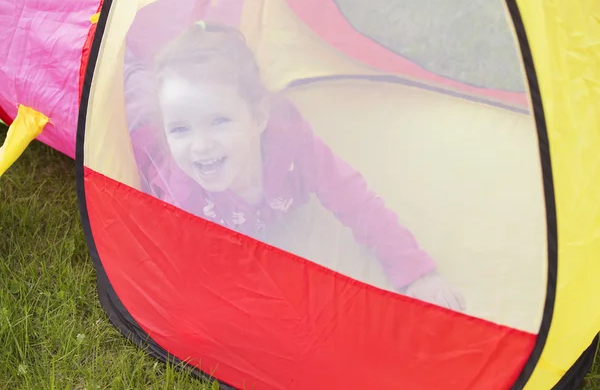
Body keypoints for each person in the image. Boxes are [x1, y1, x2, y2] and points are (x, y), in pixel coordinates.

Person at [126, 21, 465, 311]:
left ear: (258, 117)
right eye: (180, 129)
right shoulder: (183, 191)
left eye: (219, 121)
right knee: (131, 89)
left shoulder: (293, 146)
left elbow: (355, 199)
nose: (200, 145)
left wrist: (415, 271)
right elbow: (183, 273)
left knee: (150, 89)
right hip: (142, 129)